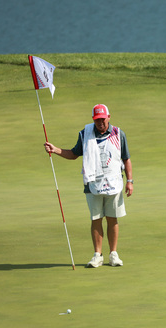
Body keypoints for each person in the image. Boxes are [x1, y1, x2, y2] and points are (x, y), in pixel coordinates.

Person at [43, 104, 133, 268]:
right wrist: (55, 149)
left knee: (112, 218)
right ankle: (97, 255)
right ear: (94, 119)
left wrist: (130, 181)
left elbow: (126, 159)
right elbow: (74, 154)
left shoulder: (119, 134)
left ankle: (113, 254)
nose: (100, 123)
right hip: (92, 183)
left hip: (114, 183)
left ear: (109, 117)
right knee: (96, 218)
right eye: (97, 120)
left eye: (103, 119)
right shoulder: (85, 134)